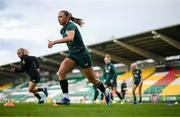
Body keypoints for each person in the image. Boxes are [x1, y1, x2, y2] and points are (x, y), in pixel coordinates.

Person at [48, 10, 111, 106]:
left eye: (61, 17)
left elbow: (70, 38)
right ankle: (66, 98)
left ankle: (105, 91)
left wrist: (54, 42)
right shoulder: (62, 30)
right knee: (61, 72)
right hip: (72, 55)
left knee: (92, 79)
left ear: (67, 17)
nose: (59, 19)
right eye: (58, 17)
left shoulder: (71, 25)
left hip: (83, 55)